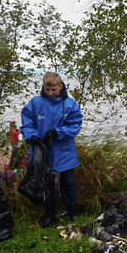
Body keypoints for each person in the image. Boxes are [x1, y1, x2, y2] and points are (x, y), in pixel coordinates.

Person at [21, 72, 83, 228]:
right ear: (43, 87)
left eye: (53, 90)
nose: (50, 93)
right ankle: (49, 215)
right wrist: (32, 137)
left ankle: (72, 212)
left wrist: (57, 132)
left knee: (68, 183)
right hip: (43, 151)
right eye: (47, 90)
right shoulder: (36, 103)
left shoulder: (70, 104)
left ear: (60, 87)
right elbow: (27, 123)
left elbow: (75, 125)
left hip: (64, 150)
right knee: (46, 185)